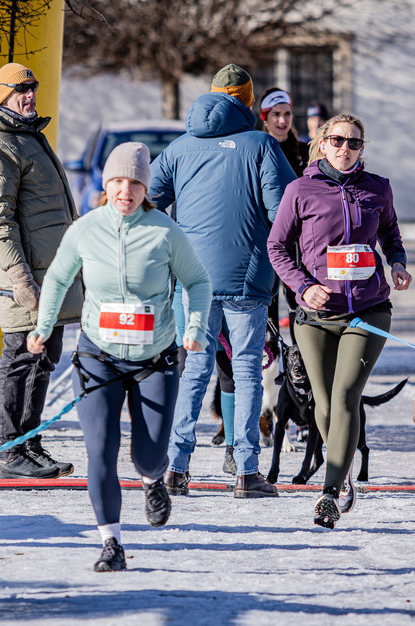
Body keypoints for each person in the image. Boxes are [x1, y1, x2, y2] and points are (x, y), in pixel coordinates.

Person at [28, 142, 211, 571]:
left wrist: (195, 329)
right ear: (105, 184)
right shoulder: (85, 228)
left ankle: (152, 479)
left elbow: (197, 282)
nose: (125, 190)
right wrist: (42, 327)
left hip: (155, 357)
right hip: (98, 355)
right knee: (101, 450)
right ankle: (111, 542)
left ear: (146, 188)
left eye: (134, 183)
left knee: (148, 454)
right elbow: (56, 279)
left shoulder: (166, 231)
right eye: (117, 181)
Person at [150, 63, 296, 499]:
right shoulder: (261, 146)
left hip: (190, 278)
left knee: (192, 370)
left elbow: (149, 200)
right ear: (249, 101)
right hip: (247, 277)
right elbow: (284, 210)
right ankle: (246, 471)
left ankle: (175, 467)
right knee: (248, 368)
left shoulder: (179, 147)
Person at [268, 113, 412, 529]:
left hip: (368, 309)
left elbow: (390, 235)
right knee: (325, 402)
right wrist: (301, 286)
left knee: (347, 394)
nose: (345, 148)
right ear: (322, 143)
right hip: (315, 314)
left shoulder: (377, 187)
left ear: (362, 148)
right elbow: (276, 246)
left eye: (354, 142)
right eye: (337, 140)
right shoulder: (301, 190)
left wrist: (398, 263)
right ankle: (343, 461)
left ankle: (329, 493)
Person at [0, 62, 83, 480]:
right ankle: (10, 450)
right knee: (20, 357)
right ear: (0, 95)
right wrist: (20, 279)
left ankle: (29, 445)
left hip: (51, 274)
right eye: (20, 91)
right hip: (27, 277)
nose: (29, 96)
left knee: (45, 358)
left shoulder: (27, 135)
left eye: (32, 88)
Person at [259, 87, 308, 177]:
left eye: (287, 114)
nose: (283, 120)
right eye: (276, 114)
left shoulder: (305, 151)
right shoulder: (258, 153)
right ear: (265, 119)